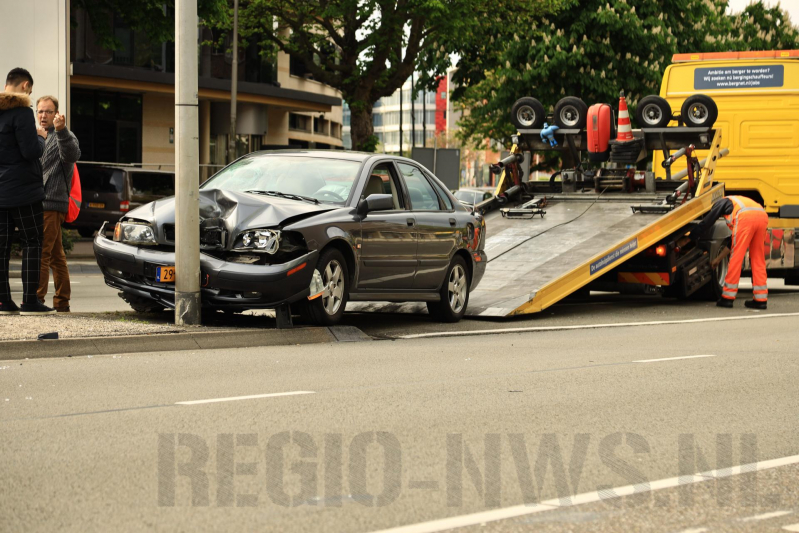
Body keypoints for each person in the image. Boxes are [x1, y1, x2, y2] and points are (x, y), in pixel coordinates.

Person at [0, 68, 54, 315]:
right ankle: (30, 301)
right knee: (33, 242)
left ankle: (3, 302)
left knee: (2, 246)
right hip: (23, 190)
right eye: (30, 90)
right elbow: (31, 151)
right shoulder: (21, 112)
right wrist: (41, 137)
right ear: (24, 85)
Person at [35, 95, 80, 312]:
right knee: (56, 256)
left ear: (56, 114)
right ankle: (62, 302)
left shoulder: (64, 135)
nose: (43, 115)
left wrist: (61, 130)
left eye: (48, 111)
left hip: (51, 203)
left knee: (41, 253)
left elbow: (72, 155)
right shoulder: (38, 136)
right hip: (39, 203)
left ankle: (37, 300)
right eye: (40, 111)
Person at [691, 195, 769, 309]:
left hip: (745, 217)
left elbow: (708, 222)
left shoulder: (720, 202)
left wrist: (691, 236)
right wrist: (718, 259)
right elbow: (731, 242)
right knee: (758, 259)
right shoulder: (735, 202)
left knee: (736, 258)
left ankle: (727, 298)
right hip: (762, 216)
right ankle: (760, 300)